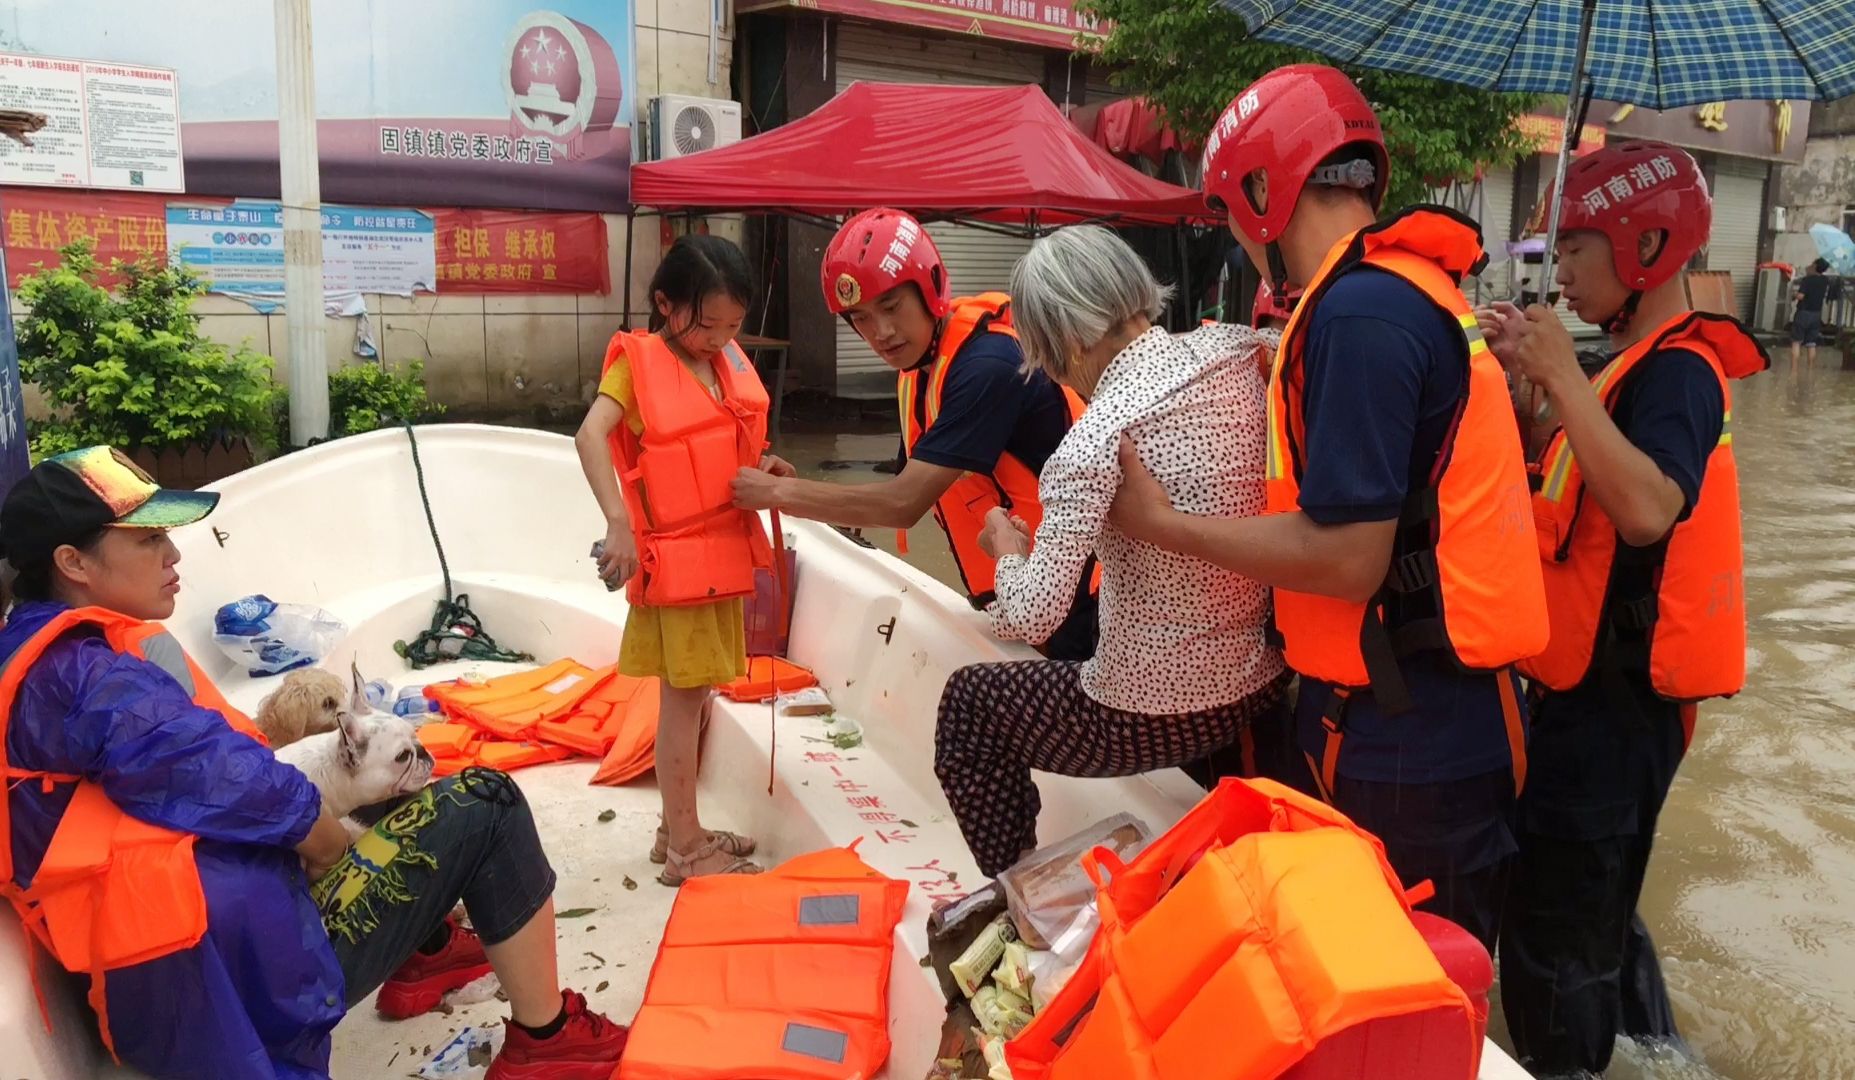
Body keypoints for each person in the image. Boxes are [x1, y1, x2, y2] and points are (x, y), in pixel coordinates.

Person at [0, 447, 626, 1080]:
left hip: (182, 971)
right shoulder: (85, 678)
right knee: (486, 801)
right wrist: (332, 847)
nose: (174, 555)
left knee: (387, 776)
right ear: (72, 562)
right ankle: (548, 1042)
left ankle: (426, 951)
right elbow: (223, 773)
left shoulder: (40, 655)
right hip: (244, 981)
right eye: (150, 538)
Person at [1108, 64, 1548, 952]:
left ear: (1265, 192)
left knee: (1394, 987)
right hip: (1427, 711)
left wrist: (1160, 525)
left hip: (1408, 734)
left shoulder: (1359, 315)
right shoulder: (1398, 292)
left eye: (1232, 211)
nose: (1235, 237)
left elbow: (1350, 559)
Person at [1484, 142, 1765, 1079]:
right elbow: (1580, 508)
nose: (1558, 272)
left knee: (1549, 932)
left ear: (1646, 242)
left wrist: (1563, 380)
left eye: (1575, 247)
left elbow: (1647, 509)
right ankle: (1655, 1053)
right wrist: (1539, 407)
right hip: (1588, 693)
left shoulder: (1678, 371)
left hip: (1617, 708)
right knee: (1591, 906)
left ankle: (1574, 1062)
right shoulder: (1625, 368)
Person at [932, 225, 1288, 877]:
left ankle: (1020, 892)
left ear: (1065, 341)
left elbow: (1030, 618)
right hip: (1261, 683)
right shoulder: (1240, 350)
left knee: (967, 707)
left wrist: (1007, 550)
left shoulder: (1092, 440)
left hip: (1149, 715)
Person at [731, 208, 1100, 661]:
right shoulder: (923, 367)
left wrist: (780, 492)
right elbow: (896, 488)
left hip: (1084, 600)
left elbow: (904, 503)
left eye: (891, 307)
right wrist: (802, 487)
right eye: (860, 318)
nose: (880, 333)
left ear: (930, 289)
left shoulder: (987, 368)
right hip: (1028, 594)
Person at [576, 234, 777, 885]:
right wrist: (618, 524)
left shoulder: (720, 366)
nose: (718, 337)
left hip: (720, 558)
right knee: (683, 701)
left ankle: (676, 826)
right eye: (705, 322)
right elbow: (590, 435)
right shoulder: (635, 365)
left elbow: (724, 451)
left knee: (696, 696)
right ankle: (689, 848)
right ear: (666, 303)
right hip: (679, 567)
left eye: (731, 325)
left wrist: (766, 471)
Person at [1791, 257, 1836, 367]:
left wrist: (1794, 295)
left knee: (1796, 341)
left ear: (1815, 266)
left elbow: (1801, 296)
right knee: (1811, 343)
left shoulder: (1807, 280)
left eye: (1812, 264)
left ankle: (1794, 370)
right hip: (1816, 314)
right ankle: (1810, 370)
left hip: (1803, 313)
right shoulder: (1825, 280)